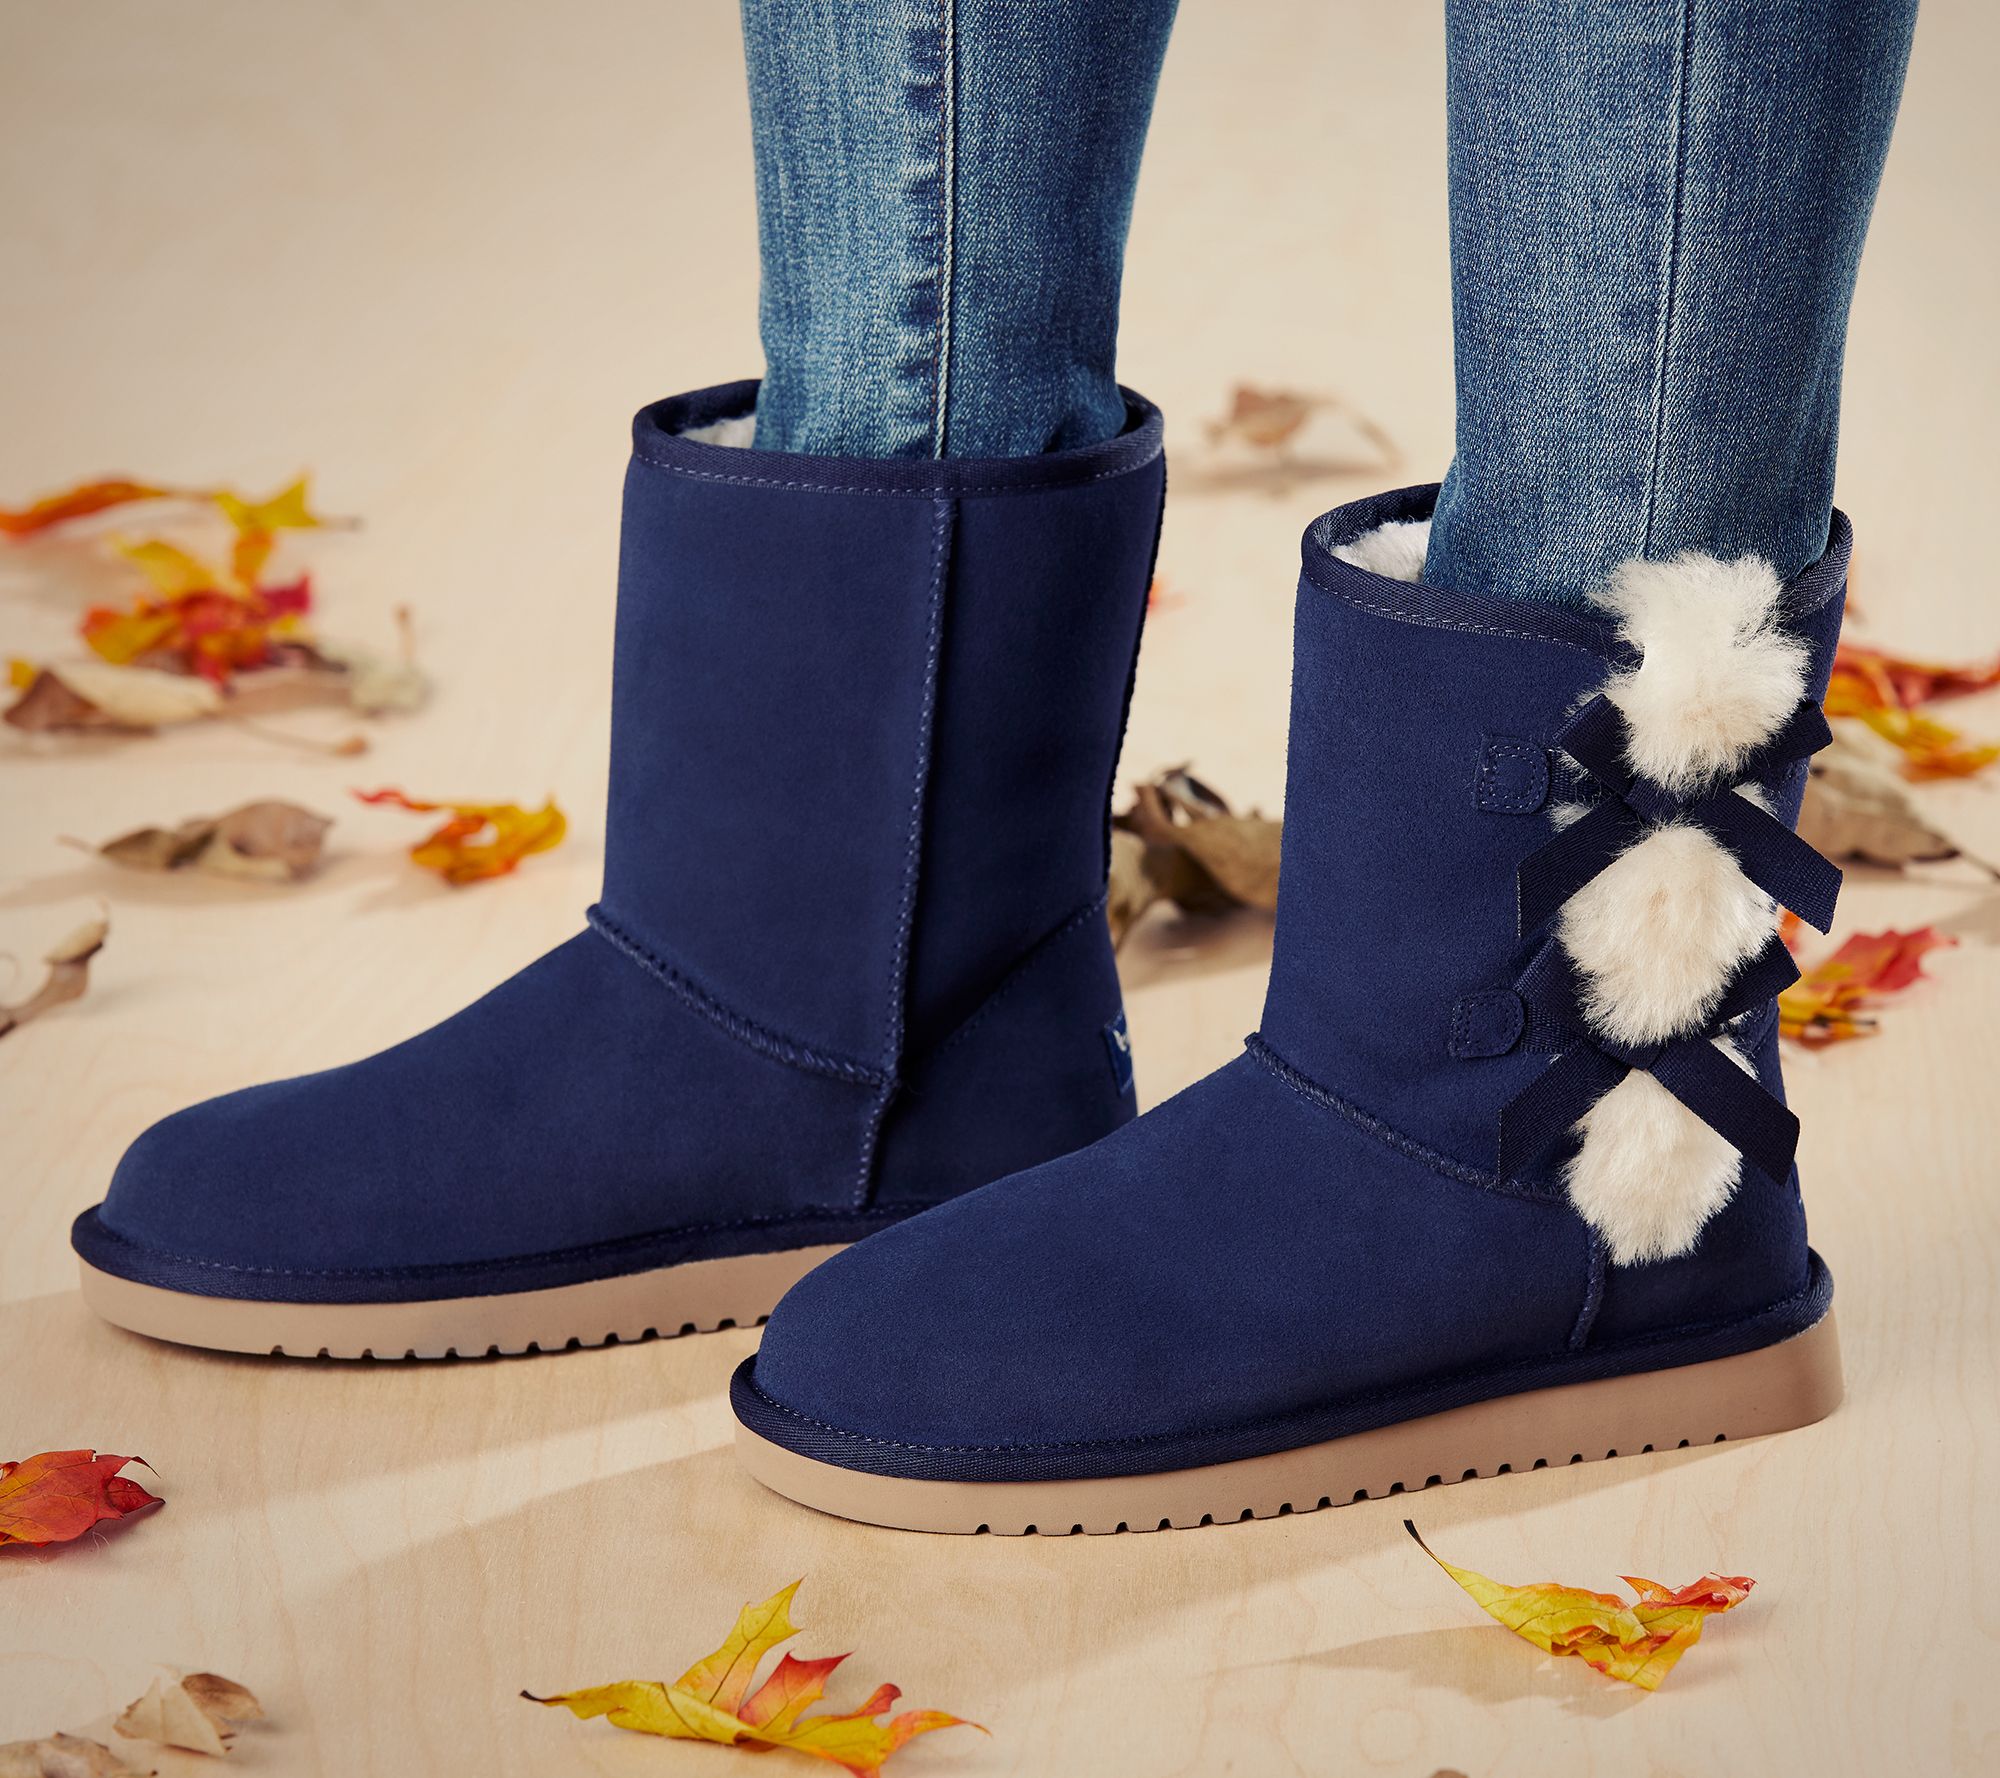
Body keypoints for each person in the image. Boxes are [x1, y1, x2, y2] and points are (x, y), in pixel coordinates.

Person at [75, 0, 1914, 1534]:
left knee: (1637, 540)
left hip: (1582, 1140)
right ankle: (875, 1039)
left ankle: (1583, 1193)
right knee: (902, 337)